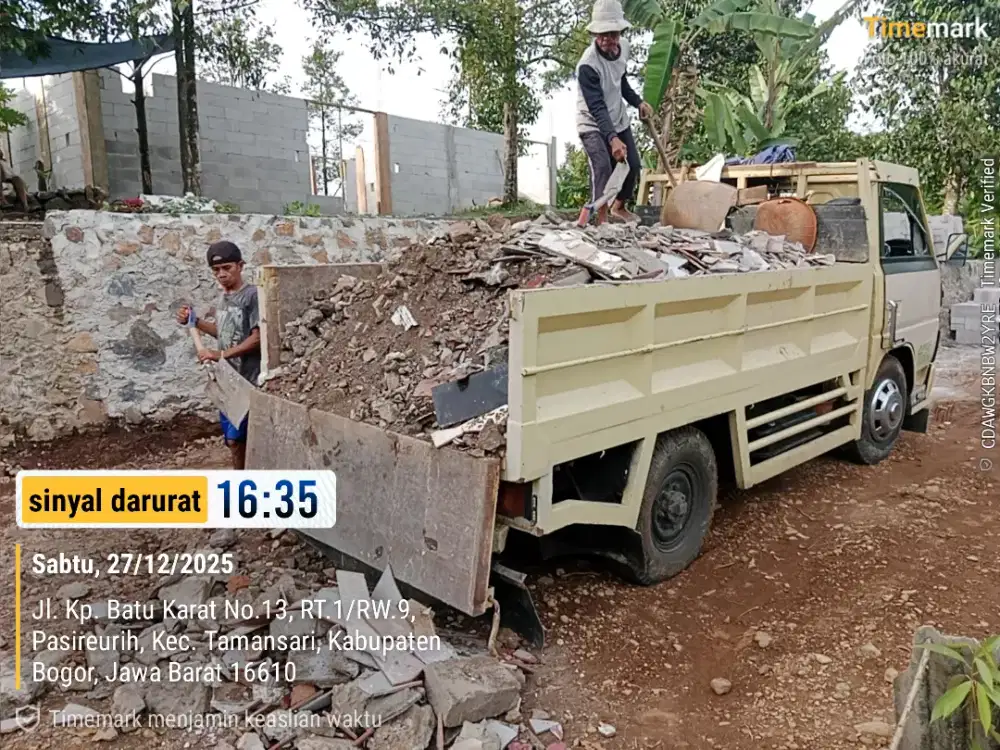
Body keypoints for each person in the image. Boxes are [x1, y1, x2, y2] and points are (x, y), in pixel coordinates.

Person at [175, 240, 261, 470]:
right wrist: (196, 322)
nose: (221, 274)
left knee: (239, 439)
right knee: (232, 441)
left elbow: (257, 338)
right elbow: (223, 332)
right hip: (227, 379)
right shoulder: (224, 298)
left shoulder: (252, 296)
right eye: (216, 270)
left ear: (240, 266)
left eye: (227, 268)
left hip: (247, 380)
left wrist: (219, 354)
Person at [576, 0, 654, 224]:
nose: (606, 40)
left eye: (612, 34)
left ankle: (618, 207)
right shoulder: (588, 66)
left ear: (620, 33)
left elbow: (621, 81)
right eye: (601, 35)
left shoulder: (625, 48)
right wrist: (612, 140)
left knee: (634, 165)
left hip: (618, 118)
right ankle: (600, 219)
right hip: (592, 122)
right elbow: (597, 107)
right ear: (594, 34)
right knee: (602, 166)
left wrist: (638, 102)